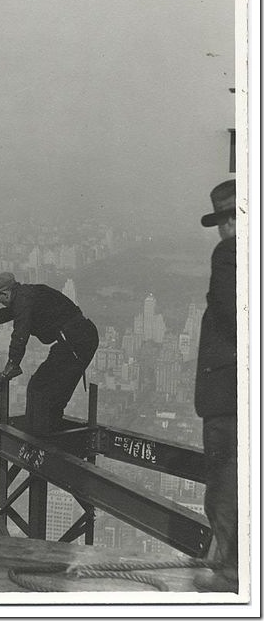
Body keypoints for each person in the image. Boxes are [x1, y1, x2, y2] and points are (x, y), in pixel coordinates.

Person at [0, 273, 98, 435]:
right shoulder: (25, 296)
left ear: (5, 293)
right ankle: (47, 434)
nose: (0, 302)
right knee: (49, 392)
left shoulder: (23, 300)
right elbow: (4, 315)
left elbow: (20, 335)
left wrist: (9, 369)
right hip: (78, 340)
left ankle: (41, 439)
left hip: (76, 342)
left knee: (40, 388)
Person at [193, 179, 238, 593]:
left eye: (228, 218)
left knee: (224, 479)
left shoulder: (230, 253)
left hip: (228, 396)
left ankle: (228, 571)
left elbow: (230, 313)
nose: (224, 229)